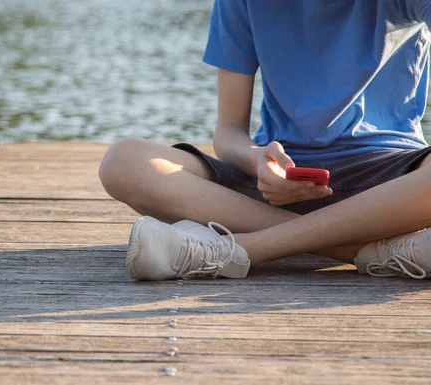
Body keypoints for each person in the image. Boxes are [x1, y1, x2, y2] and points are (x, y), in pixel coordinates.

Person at [99, 0, 431, 281]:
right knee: (124, 162)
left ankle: (240, 249)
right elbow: (228, 133)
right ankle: (380, 251)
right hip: (275, 187)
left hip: (389, 182)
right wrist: (258, 161)